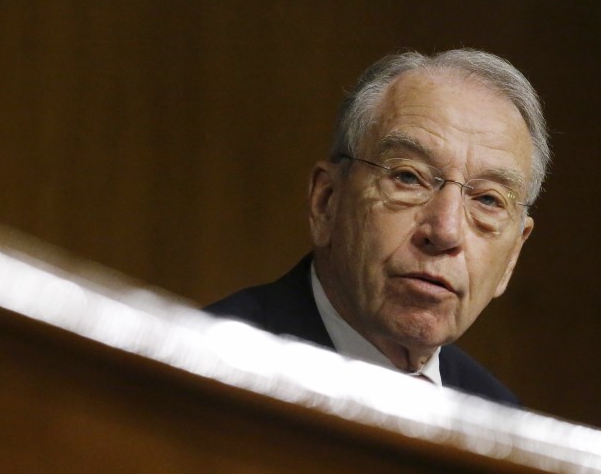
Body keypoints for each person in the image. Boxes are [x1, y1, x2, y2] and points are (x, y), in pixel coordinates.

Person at [205, 49, 550, 405]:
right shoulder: (208, 371)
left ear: (512, 256)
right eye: (408, 177)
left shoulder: (499, 420)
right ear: (327, 201)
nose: (445, 232)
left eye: (489, 200)